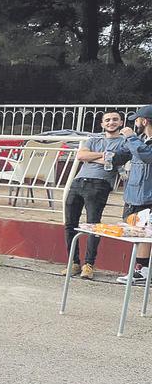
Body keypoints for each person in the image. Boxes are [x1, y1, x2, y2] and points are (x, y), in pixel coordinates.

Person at [64, 111, 129, 281]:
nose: (111, 122)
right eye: (107, 120)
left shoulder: (123, 142)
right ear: (102, 124)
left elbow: (117, 160)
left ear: (121, 122)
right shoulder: (94, 139)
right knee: (70, 224)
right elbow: (81, 155)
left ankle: (89, 264)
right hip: (78, 182)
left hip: (99, 185)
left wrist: (96, 158)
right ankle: (74, 262)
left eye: (115, 119)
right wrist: (104, 156)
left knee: (94, 226)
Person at [116, 105, 152, 285]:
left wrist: (131, 136)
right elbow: (121, 155)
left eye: (136, 120)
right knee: (139, 232)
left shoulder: (139, 142)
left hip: (148, 196)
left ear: (144, 121)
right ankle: (142, 270)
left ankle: (142, 271)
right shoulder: (140, 140)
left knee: (145, 233)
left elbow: (147, 156)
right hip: (134, 195)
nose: (134, 123)